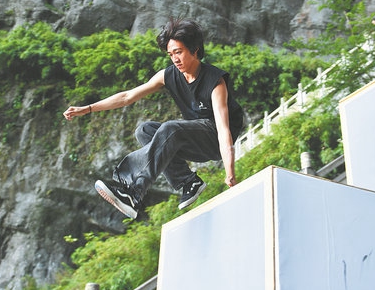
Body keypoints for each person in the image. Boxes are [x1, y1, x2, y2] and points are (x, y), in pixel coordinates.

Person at [63, 18, 244, 219]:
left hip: (214, 138)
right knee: (145, 130)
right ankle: (188, 182)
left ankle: (134, 192)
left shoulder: (215, 82)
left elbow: (223, 129)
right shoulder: (168, 75)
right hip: (193, 137)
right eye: (171, 54)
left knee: (170, 129)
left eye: (179, 52)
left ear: (195, 49)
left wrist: (230, 172)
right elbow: (127, 97)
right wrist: (87, 109)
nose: (175, 59)